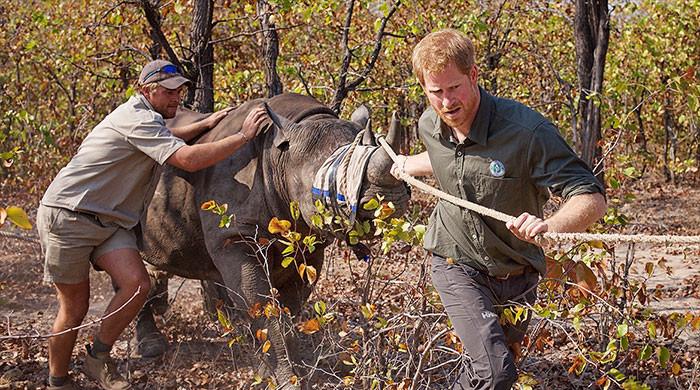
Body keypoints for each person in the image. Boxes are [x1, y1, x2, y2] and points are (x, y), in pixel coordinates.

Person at [392, 29, 607, 389]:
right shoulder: (429, 125)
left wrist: (551, 225)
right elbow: (449, 157)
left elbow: (591, 195)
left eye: (454, 88)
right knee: (496, 371)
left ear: (474, 76)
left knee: (492, 371)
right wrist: (407, 163)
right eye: (436, 92)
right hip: (455, 262)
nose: (446, 103)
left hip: (518, 274)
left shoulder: (526, 132)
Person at [37, 59, 267, 390]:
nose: (177, 98)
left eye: (181, 91)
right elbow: (186, 158)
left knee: (137, 285)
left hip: (109, 220)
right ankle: (58, 381)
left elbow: (167, 135)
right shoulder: (135, 116)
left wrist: (205, 124)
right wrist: (243, 136)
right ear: (146, 90)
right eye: (169, 92)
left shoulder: (147, 119)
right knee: (75, 308)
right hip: (69, 216)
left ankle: (96, 358)